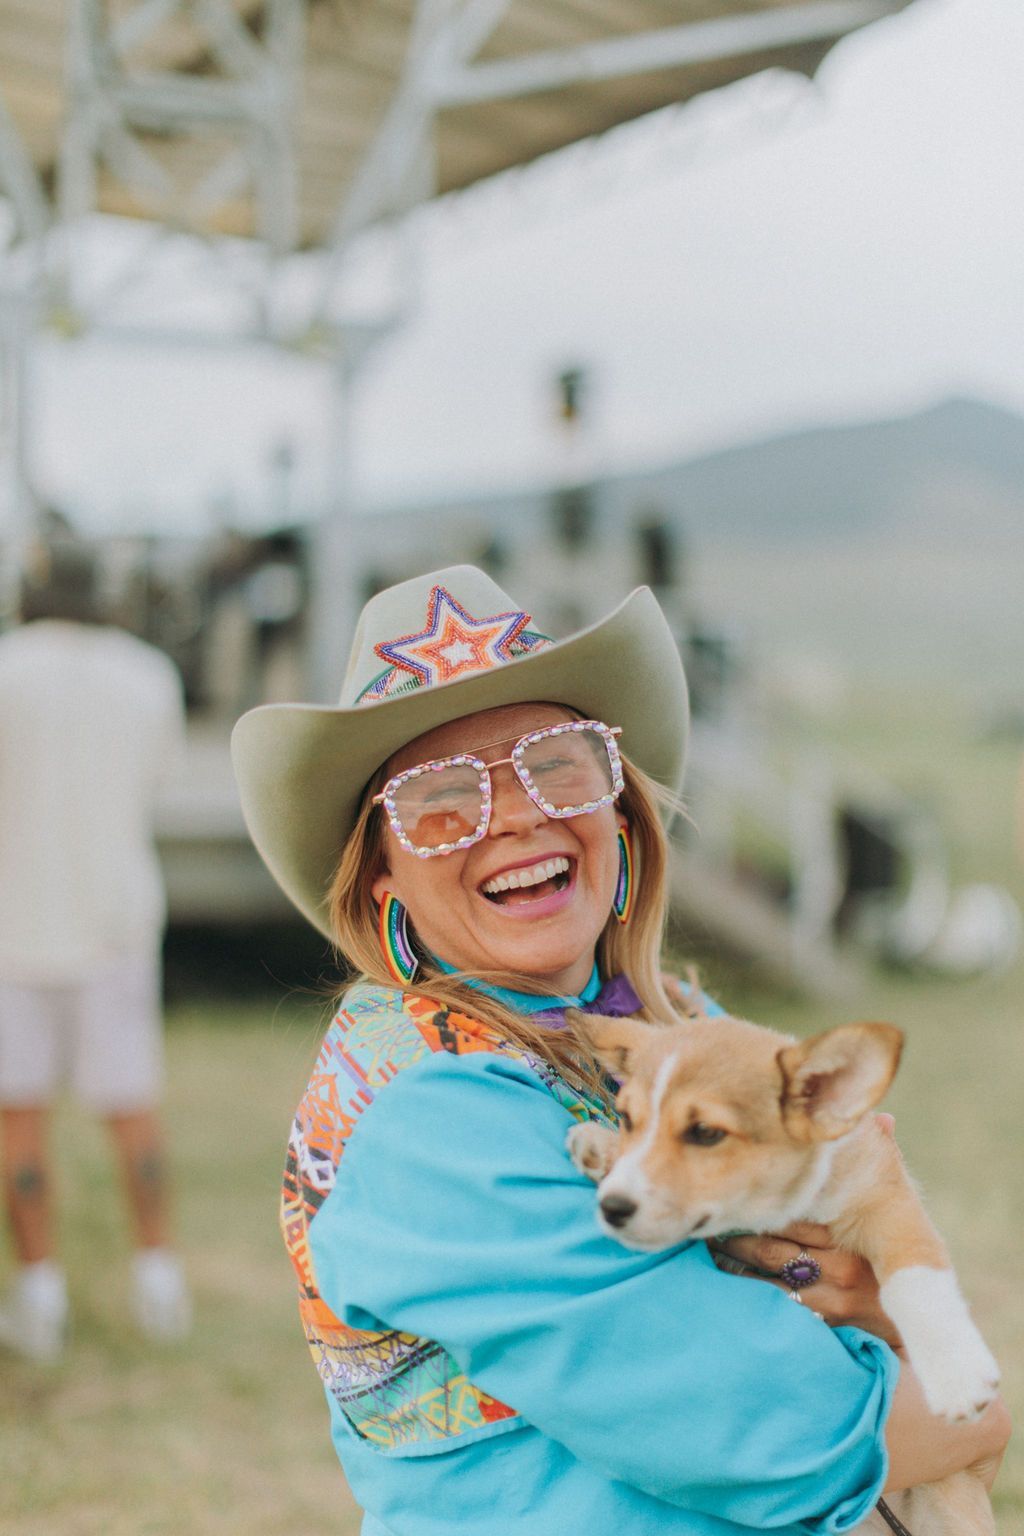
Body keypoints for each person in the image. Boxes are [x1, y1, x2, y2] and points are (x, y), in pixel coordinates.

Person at [233, 566, 1009, 1534]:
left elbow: (892, 1311)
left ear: (619, 808)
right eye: (439, 800)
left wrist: (886, 1318)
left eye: (557, 761)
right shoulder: (428, 1114)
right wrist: (936, 1389)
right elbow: (773, 1432)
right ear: (381, 874)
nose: (516, 813)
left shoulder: (677, 1024)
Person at [0, 542, 192, 1361]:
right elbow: (158, 783)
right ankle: (159, 1277)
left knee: (18, 1118)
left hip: (14, 921)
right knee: (132, 1108)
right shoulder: (148, 676)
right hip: (114, 918)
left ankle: (40, 1292)